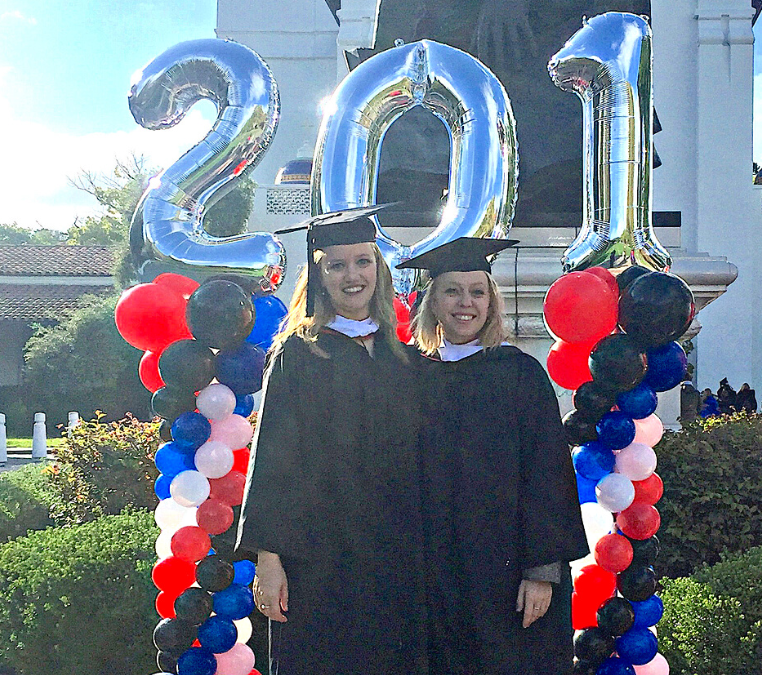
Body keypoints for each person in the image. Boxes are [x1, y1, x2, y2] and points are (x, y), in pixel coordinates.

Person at [236, 208, 430, 675]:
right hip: (319, 559)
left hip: (395, 556)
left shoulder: (401, 356)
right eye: (336, 264)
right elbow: (273, 462)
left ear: (378, 270)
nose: (352, 275)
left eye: (363, 261)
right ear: (319, 275)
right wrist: (269, 559)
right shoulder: (299, 353)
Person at [398, 237, 589, 675]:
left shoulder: (518, 373)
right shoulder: (407, 374)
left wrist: (542, 570)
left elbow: (547, 475)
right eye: (452, 291)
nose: (466, 303)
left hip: (506, 575)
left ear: (491, 302)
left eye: (477, 292)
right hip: (429, 573)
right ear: (432, 302)